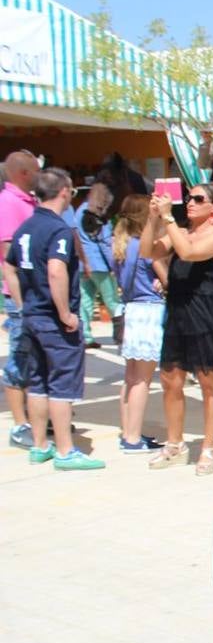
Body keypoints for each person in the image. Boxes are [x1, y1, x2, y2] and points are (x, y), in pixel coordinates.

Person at [0, 167, 104, 470]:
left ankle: (40, 445)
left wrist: (21, 305)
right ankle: (65, 450)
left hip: (32, 315)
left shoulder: (26, 228)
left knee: (37, 383)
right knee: (61, 385)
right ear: (64, 192)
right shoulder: (58, 230)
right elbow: (56, 270)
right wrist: (65, 313)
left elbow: (9, 267)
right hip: (53, 320)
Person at [144, 184, 213, 474]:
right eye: (189, 198)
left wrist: (168, 218)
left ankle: (209, 447)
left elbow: (188, 253)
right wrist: (152, 218)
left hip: (206, 315)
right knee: (170, 380)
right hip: (178, 312)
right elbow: (148, 251)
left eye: (199, 199)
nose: (190, 203)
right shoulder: (180, 231)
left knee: (209, 383)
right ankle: (175, 444)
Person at [111, 194, 167, 453]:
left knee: (130, 377)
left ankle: (128, 433)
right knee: (143, 381)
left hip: (131, 310)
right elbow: (167, 280)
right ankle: (133, 439)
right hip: (149, 312)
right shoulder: (145, 248)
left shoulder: (121, 246)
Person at [1, 150, 38, 448]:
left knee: (37, 358)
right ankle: (19, 424)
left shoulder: (31, 201)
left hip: (38, 296)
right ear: (23, 173)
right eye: (37, 170)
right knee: (19, 358)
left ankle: (37, 418)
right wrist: (20, 300)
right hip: (21, 298)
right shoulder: (8, 203)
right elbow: (8, 255)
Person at [74, 182, 123, 349]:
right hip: (99, 264)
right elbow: (105, 243)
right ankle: (122, 335)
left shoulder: (79, 210)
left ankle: (85, 336)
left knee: (86, 300)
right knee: (112, 301)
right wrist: (114, 266)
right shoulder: (99, 214)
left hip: (82, 263)